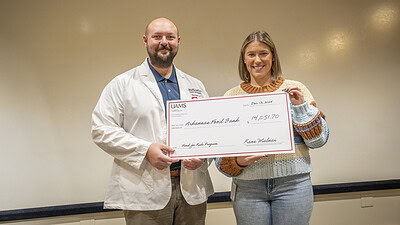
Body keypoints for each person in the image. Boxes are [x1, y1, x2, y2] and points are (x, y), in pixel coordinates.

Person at [91, 18, 214, 225]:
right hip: (144, 193)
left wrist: (203, 156)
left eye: (170, 37)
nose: (164, 42)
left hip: (192, 190)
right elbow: (101, 130)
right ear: (146, 40)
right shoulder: (122, 84)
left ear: (178, 41)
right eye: (157, 37)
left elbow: (211, 132)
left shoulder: (195, 86)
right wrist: (145, 149)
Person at [215, 31, 329, 225]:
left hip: (293, 185)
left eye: (263, 53)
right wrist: (238, 162)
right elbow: (220, 161)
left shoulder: (296, 89)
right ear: (244, 59)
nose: (257, 59)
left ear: (273, 56)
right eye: (251, 54)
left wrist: (300, 107)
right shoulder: (231, 96)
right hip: (248, 188)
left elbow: (318, 140)